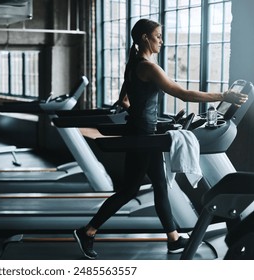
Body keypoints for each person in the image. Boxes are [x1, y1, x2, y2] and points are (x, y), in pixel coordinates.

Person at [73, 18, 248, 259]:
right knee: (129, 191)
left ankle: (173, 238)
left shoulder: (134, 63)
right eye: (158, 36)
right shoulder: (148, 66)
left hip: (145, 133)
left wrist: (145, 116)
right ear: (145, 37)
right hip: (143, 136)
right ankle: (88, 231)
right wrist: (224, 95)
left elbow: (124, 99)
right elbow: (183, 93)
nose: (162, 41)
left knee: (161, 187)